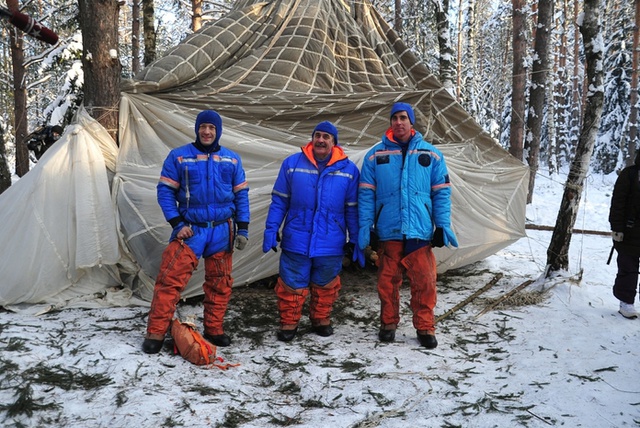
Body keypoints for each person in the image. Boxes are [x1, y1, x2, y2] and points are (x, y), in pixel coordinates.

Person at [142, 110, 250, 354]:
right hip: (192, 231)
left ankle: (214, 329)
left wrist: (243, 227)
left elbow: (241, 195)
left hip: (222, 231)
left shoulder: (232, 159)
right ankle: (156, 333)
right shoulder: (179, 157)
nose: (207, 131)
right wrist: (178, 224)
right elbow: (165, 192)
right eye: (203, 127)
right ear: (197, 129)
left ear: (218, 131)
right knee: (170, 281)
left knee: (220, 283)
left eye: (212, 127)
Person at [358, 102, 458, 349]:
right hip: (388, 229)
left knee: (424, 281)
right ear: (390, 123)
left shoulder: (431, 154)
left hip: (419, 230)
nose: (399, 122)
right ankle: (388, 323)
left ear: (412, 122)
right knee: (387, 281)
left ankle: (424, 326)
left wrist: (442, 225)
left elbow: (441, 193)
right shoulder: (375, 155)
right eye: (394, 118)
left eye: (403, 117)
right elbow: (366, 195)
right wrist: (366, 227)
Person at [263, 121, 363, 342]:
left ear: (334, 142)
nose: (320, 140)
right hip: (297, 237)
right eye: (317, 135)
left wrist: (356, 239)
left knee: (326, 283)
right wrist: (271, 229)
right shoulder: (292, 164)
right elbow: (279, 201)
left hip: (331, 240)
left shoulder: (348, 171)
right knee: (292, 283)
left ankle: (321, 319)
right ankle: (289, 322)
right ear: (312, 138)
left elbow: (352, 209)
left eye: (326, 137)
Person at [608, 154, 640, 319]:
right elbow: (618, 203)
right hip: (629, 232)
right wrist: (617, 228)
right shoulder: (630, 175)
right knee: (628, 268)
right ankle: (626, 303)